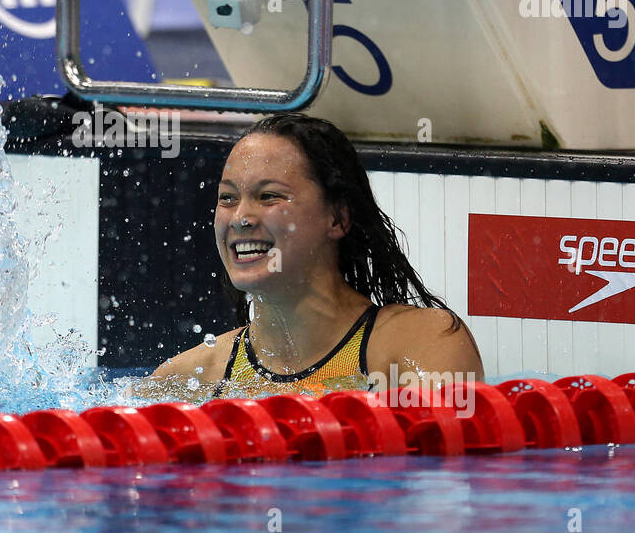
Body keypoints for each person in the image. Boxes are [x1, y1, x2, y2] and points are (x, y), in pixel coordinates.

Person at [143, 112, 482, 400]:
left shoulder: (416, 346)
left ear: (337, 219)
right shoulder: (189, 381)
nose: (240, 218)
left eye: (269, 196)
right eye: (228, 198)